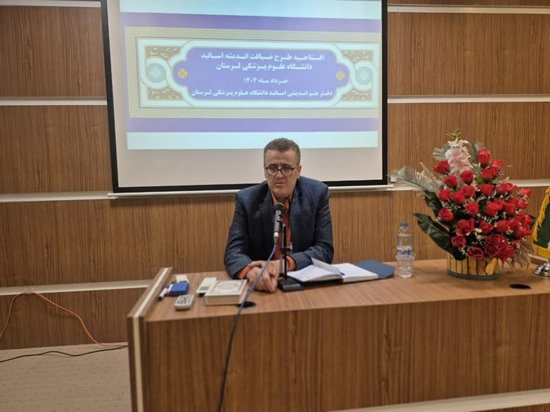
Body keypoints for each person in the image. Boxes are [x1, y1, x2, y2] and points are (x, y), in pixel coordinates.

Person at [224, 138, 334, 293]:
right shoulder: (247, 199)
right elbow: (233, 252)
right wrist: (251, 272)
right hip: (262, 286)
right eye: (273, 168)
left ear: (298, 171)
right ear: (265, 170)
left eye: (287, 168)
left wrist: (282, 264)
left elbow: (324, 249)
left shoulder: (317, 194)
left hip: (304, 286)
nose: (279, 175)